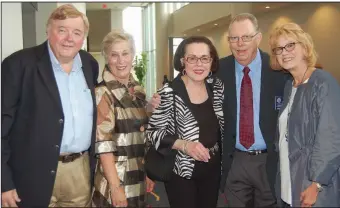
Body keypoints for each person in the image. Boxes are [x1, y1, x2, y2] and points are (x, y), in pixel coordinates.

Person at [1, 4, 99, 207]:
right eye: (61, 30)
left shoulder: (89, 64)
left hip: (79, 172)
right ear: (48, 30)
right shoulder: (18, 64)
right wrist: (4, 182)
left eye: (76, 32)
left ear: (84, 38)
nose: (69, 38)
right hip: (30, 174)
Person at [216, 13, 288, 207]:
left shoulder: (278, 69)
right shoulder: (218, 70)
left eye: (246, 37)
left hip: (270, 161)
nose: (240, 44)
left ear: (258, 38)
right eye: (234, 38)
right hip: (235, 160)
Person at [146, 36, 224, 208]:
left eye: (204, 58)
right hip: (181, 170)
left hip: (212, 169)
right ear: (182, 61)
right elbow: (152, 133)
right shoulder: (168, 93)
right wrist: (184, 145)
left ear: (211, 62)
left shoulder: (216, 88)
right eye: (192, 58)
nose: (199, 64)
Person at [269, 22, 340, 207]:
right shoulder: (289, 86)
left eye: (290, 45)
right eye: (279, 49)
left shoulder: (323, 83)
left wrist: (316, 184)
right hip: (288, 181)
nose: (285, 52)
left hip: (313, 185)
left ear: (305, 46)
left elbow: (331, 138)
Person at [92, 30, 155, 207]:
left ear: (132, 55)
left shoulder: (138, 91)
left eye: (125, 53)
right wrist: (115, 186)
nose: (121, 61)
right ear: (106, 58)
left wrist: (147, 172)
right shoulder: (103, 93)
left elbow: (141, 132)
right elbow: (103, 145)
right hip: (116, 179)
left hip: (138, 176)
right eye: (114, 55)